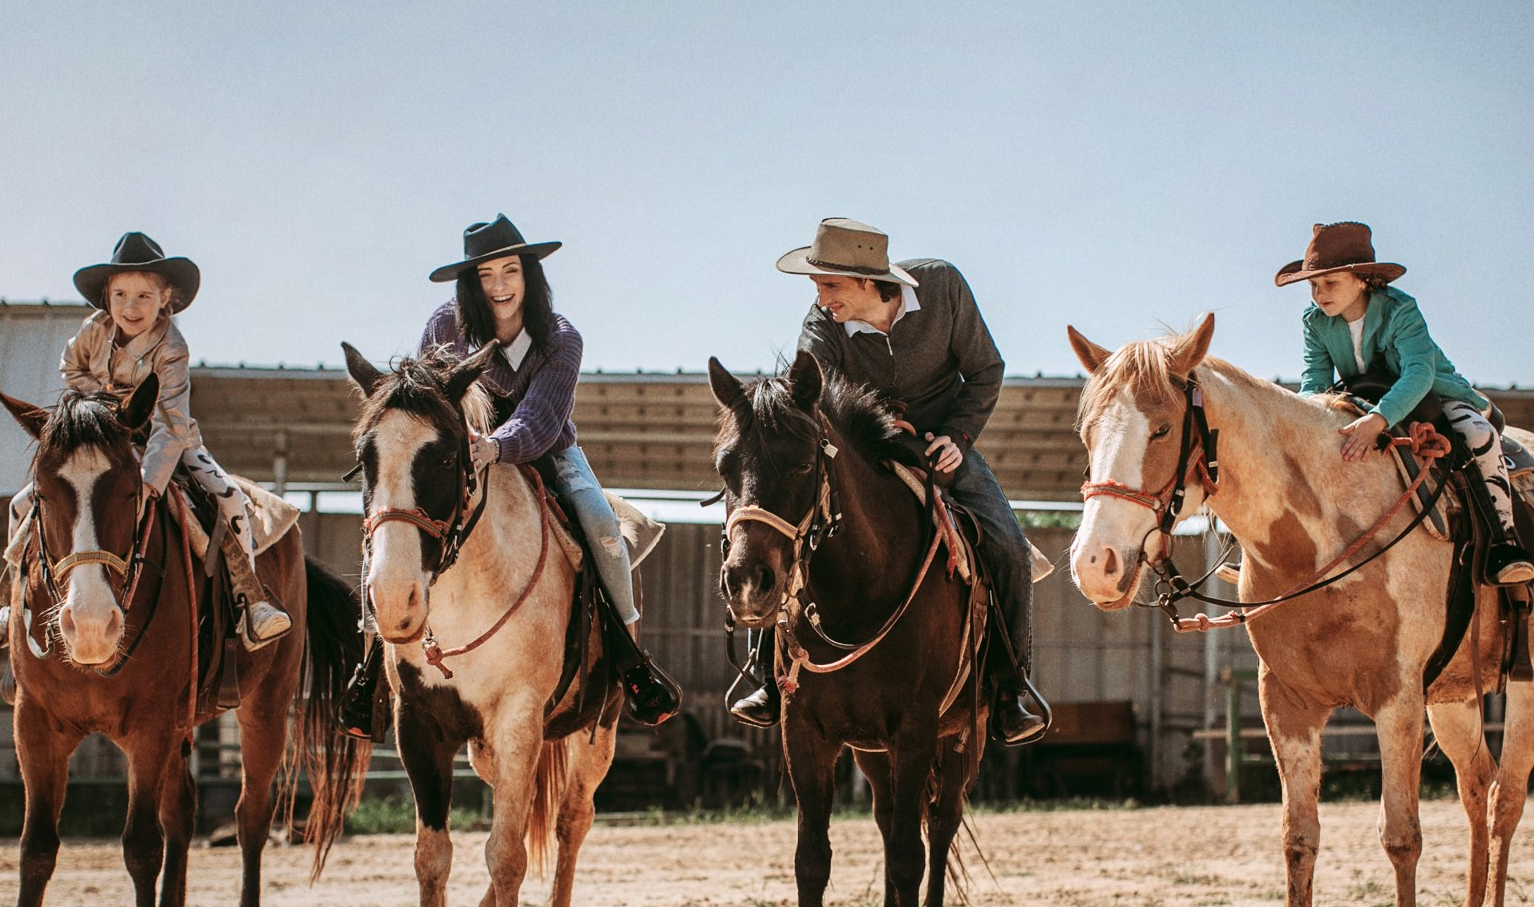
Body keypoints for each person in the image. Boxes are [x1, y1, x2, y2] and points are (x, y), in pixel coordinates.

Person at [730, 216, 1050, 746]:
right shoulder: (822, 323)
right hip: (867, 450)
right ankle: (765, 678)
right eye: (816, 285)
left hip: (945, 447)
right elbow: (801, 397)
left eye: (829, 284)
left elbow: (986, 370)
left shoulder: (944, 286)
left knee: (1010, 546)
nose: (820, 296)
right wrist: (874, 421)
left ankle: (1011, 689)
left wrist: (957, 436)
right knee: (789, 526)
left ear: (865, 280)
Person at [379, 212, 681, 728]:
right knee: (394, 517)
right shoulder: (443, 326)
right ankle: (371, 667)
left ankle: (631, 660)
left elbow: (540, 416)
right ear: (471, 284)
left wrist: (495, 447)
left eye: (510, 271)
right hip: (462, 453)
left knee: (602, 525)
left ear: (529, 275)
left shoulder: (561, 338)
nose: (499, 285)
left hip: (547, 450)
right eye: (486, 275)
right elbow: (425, 399)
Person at [0, 232, 294, 647]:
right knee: (24, 502)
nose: (130, 306)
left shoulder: (172, 347)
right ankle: (11, 604)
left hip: (167, 436)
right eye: (120, 294)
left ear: (165, 298)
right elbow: (70, 368)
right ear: (107, 297)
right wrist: (100, 405)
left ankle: (251, 600)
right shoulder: (93, 329)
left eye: (143, 295)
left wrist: (150, 484)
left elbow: (172, 423)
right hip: (105, 432)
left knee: (227, 495)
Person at [1278, 220, 1534, 586]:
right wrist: (1305, 423)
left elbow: (1418, 375)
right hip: (1360, 400)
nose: (1319, 294)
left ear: (1363, 279)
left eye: (1330, 283)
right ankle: (1290, 552)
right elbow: (1315, 381)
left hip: (1434, 396)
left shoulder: (1401, 310)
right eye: (1313, 285)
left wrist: (1379, 420)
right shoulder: (1315, 322)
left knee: (1478, 436)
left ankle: (1503, 542)